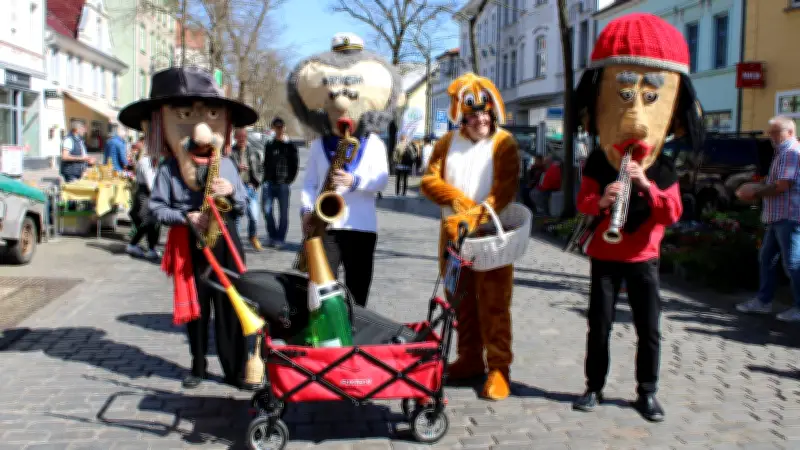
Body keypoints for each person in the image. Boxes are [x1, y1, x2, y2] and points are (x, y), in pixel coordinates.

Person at [570, 13, 705, 422]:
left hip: (643, 257)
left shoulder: (662, 167)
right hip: (604, 254)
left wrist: (646, 184)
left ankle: (647, 392)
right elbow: (583, 202)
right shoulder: (599, 160)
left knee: (649, 329)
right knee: (599, 325)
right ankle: (593, 387)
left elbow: (672, 212)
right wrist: (603, 200)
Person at [118, 66, 259, 389]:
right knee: (197, 308)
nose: (201, 132)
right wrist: (187, 217)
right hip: (190, 242)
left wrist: (231, 191)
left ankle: (235, 369)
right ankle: (197, 365)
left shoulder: (226, 163)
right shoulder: (169, 168)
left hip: (225, 239)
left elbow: (241, 205)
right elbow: (156, 208)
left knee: (230, 306)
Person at [420, 72, 520, 401]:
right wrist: (454, 198)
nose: (480, 120)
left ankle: (499, 367)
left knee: (494, 304)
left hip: (491, 237)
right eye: (473, 115)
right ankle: (469, 358)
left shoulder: (504, 143)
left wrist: (472, 216)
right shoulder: (446, 143)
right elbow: (428, 180)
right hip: (452, 237)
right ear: (463, 116)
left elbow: (503, 192)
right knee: (459, 302)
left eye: (485, 114)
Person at [289, 32, 400, 308]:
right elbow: (310, 183)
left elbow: (381, 180)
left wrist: (354, 181)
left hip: (361, 225)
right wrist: (306, 210)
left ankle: (355, 329)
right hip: (326, 225)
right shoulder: (319, 144)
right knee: (322, 288)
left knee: (358, 290)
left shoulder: (373, 143)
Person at [736, 116, 800, 322]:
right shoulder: (783, 152)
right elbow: (776, 182)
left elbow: (783, 186)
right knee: (767, 259)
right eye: (770, 132)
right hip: (777, 216)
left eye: (775, 132)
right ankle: (764, 301)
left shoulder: (791, 152)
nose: (771, 136)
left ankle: (798, 306)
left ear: (790, 132)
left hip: (789, 215)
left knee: (793, 263)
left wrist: (754, 192)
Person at [262, 117, 299, 249]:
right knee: (266, 211)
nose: (278, 130)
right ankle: (272, 236)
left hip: (283, 184)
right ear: (273, 128)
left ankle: (280, 238)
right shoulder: (269, 144)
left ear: (284, 128)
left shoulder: (290, 146)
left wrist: (289, 180)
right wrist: (265, 178)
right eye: (276, 127)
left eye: (280, 127)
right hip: (269, 183)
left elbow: (295, 164)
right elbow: (265, 162)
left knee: (283, 214)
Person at [126, 143, 163, 260]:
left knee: (152, 223)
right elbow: (150, 183)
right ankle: (133, 245)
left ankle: (151, 248)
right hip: (145, 195)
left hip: (148, 194)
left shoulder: (151, 161)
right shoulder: (145, 162)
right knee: (147, 222)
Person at [231, 127, 264, 251]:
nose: (242, 139)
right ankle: (235, 242)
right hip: (236, 188)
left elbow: (260, 169)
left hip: (250, 187)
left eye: (244, 137)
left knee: (254, 216)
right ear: (235, 138)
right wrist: (237, 168)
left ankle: (252, 236)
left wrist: (255, 184)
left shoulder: (253, 151)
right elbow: (226, 169)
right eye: (240, 137)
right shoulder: (230, 152)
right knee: (237, 217)